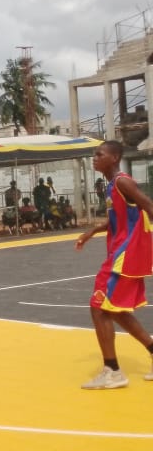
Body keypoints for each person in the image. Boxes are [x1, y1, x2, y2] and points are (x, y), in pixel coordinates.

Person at [75, 140, 153, 389]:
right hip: (121, 253)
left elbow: (149, 206)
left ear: (115, 157)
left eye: (99, 154)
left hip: (124, 256)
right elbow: (119, 219)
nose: (94, 158)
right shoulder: (112, 186)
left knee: (98, 308)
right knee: (114, 310)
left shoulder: (122, 181)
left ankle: (113, 371)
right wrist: (93, 231)